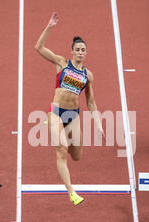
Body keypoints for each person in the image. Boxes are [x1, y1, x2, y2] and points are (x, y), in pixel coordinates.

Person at [35, 12, 104, 205]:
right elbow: (38, 48)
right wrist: (49, 26)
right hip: (56, 111)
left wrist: (98, 124)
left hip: (73, 115)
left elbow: (91, 102)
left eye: (83, 50)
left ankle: (55, 126)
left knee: (76, 156)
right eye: (78, 49)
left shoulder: (88, 75)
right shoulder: (61, 63)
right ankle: (72, 192)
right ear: (72, 51)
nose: (81, 52)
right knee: (61, 150)